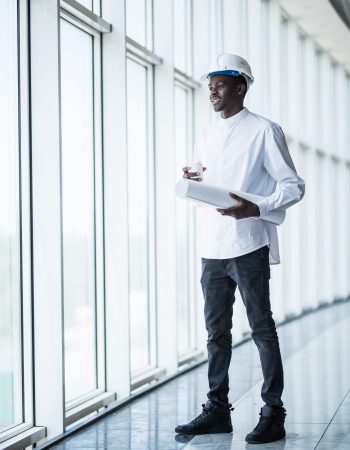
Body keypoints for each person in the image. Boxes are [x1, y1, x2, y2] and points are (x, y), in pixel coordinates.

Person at [174, 54, 305, 444]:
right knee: (216, 334)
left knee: (262, 329)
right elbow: (210, 174)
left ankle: (273, 412)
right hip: (212, 246)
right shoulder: (206, 132)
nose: (212, 90)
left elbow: (293, 186)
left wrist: (257, 207)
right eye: (209, 84)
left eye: (220, 83)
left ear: (240, 86)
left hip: (248, 243)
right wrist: (194, 175)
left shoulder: (265, 130)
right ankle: (217, 411)